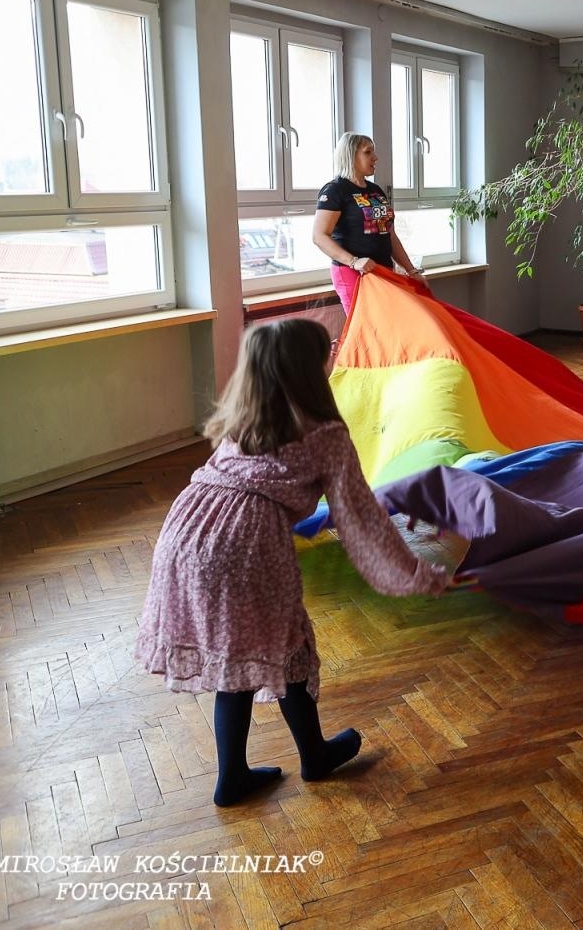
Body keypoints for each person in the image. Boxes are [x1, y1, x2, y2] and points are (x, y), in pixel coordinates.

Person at [133, 319, 449, 806]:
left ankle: (236, 774)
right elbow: (360, 517)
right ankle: (312, 755)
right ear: (309, 372)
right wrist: (414, 572)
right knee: (289, 646)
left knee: (238, 652)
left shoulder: (244, 418)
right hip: (246, 544)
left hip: (186, 531)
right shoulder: (326, 434)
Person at [313, 132, 427, 315]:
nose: (375, 157)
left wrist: (412, 271)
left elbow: (390, 235)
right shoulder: (335, 190)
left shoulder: (375, 190)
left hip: (383, 270)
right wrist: (354, 261)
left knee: (389, 323)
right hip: (353, 272)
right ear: (351, 155)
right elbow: (319, 236)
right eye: (368, 152)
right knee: (366, 325)